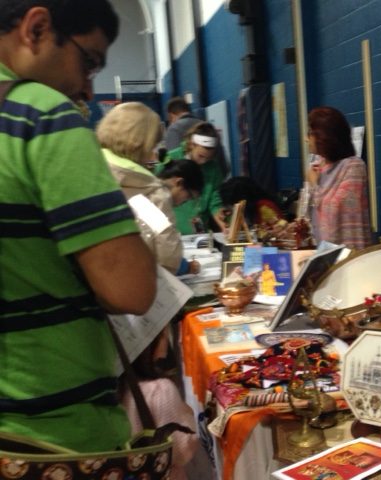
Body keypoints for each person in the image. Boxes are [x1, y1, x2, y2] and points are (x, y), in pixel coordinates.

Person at [0, 0, 157, 452]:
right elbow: (131, 290)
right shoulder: (41, 116)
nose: (87, 89)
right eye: (88, 62)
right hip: (49, 436)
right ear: (37, 27)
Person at [96, 101, 201, 275]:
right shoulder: (151, 193)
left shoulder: (87, 171)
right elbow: (168, 258)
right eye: (152, 147)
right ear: (139, 143)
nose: (153, 155)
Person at [120, 327, 200, 480]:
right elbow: (182, 451)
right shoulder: (161, 390)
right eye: (163, 334)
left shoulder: (118, 387)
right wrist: (188, 415)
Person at [307, 106, 372, 249]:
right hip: (325, 254)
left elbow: (335, 208)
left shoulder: (354, 166)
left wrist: (314, 185)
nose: (307, 139)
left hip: (350, 255)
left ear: (324, 136)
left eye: (311, 133)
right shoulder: (320, 167)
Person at [158, 121, 229, 234]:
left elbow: (214, 199)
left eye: (208, 158)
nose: (203, 161)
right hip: (173, 228)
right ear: (191, 144)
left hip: (198, 233)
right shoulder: (171, 160)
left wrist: (218, 213)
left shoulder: (213, 169)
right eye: (201, 156)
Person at [219, 176, 284, 227]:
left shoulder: (264, 207)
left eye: (231, 205)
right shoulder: (245, 211)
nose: (230, 208)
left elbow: (280, 231)